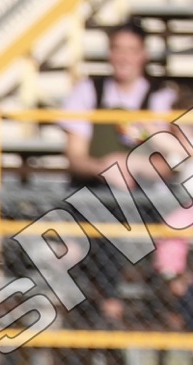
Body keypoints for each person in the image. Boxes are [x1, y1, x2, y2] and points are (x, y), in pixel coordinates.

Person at [59, 21, 179, 326]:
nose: (124, 58)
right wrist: (104, 168)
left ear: (144, 55)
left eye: (131, 50)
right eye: (117, 49)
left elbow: (170, 164)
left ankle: (110, 304)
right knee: (102, 212)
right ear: (109, 53)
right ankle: (106, 305)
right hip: (95, 194)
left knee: (114, 214)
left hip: (144, 201)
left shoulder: (161, 98)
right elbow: (75, 157)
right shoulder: (89, 91)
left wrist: (133, 166)